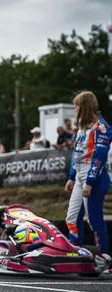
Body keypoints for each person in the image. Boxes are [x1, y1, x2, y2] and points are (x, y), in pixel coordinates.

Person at [65, 91, 110, 253]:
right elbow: (76, 154)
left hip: (95, 177)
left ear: (84, 107)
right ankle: (75, 253)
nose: (75, 109)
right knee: (71, 218)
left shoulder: (101, 127)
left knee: (94, 220)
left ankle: (104, 257)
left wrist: (89, 182)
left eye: (77, 105)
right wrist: (71, 177)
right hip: (79, 177)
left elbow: (99, 157)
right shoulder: (82, 129)